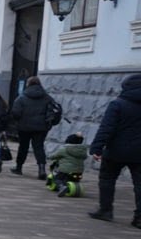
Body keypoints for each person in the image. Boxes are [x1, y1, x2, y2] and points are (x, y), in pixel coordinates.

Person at [87, 73, 141, 228]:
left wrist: (97, 147)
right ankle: (139, 217)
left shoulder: (118, 104)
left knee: (107, 179)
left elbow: (107, 128)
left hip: (116, 150)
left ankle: (105, 210)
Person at [8, 75, 55, 178]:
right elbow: (53, 110)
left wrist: (18, 121)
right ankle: (41, 169)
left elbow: (15, 112)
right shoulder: (47, 97)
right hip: (41, 127)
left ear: (28, 84)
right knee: (39, 147)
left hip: (24, 127)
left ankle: (19, 167)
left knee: (23, 147)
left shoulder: (22, 97)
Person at [47, 133, 88, 197]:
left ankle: (62, 187)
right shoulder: (82, 151)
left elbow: (54, 156)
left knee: (57, 179)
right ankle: (72, 186)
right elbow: (85, 157)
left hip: (66, 170)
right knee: (74, 178)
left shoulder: (64, 150)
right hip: (79, 171)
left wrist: (49, 157)